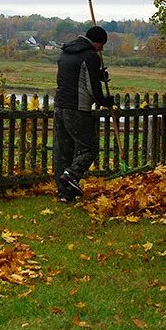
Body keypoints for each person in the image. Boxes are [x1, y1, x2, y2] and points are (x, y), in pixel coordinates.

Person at [53, 26, 113, 202]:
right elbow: (92, 88)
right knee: (90, 147)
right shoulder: (90, 56)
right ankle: (71, 175)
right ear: (97, 41)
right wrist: (105, 101)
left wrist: (98, 74)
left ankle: (64, 193)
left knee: (63, 151)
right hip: (77, 108)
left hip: (59, 107)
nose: (101, 49)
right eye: (102, 44)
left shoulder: (65, 52)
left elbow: (76, 76)